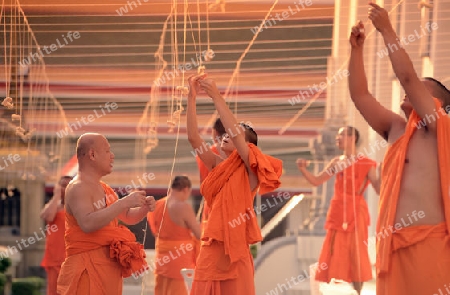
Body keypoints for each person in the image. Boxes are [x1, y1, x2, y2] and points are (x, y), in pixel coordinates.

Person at [348, 4, 450, 294]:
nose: (410, 89)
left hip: (429, 244)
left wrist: (387, 30)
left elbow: (407, 77)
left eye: (422, 87)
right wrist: (356, 51)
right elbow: (360, 95)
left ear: (437, 103)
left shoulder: (437, 127)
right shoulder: (395, 129)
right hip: (391, 247)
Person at [187, 74, 283, 295]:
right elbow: (193, 138)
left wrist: (215, 95)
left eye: (236, 134)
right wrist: (191, 98)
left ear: (248, 146)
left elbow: (237, 137)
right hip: (212, 248)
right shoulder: (217, 165)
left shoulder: (251, 169)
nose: (225, 137)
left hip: (235, 252)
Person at [56, 133, 156, 295]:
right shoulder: (78, 187)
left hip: (108, 269)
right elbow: (87, 223)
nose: (113, 156)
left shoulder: (105, 188)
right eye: (108, 151)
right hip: (86, 269)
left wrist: (144, 208)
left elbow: (128, 216)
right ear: (92, 154)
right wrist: (123, 202)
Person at [296, 126, 380, 294]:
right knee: (335, 249)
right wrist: (303, 169)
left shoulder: (365, 163)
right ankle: (340, 284)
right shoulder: (337, 162)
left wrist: (383, 173)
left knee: (357, 251)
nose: (337, 138)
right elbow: (316, 181)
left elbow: (379, 189)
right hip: (337, 211)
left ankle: (358, 291)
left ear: (352, 138)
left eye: (341, 135)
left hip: (357, 213)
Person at [147, 175, 201, 295]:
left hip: (162, 258)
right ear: (186, 189)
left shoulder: (157, 205)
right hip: (180, 258)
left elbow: (154, 231)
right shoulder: (183, 206)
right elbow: (199, 234)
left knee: (161, 290)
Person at [40, 175, 73, 295]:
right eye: (63, 185)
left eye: (69, 185)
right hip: (54, 256)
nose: (66, 188)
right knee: (53, 291)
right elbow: (47, 216)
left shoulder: (79, 208)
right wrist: (56, 196)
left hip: (71, 257)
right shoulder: (55, 206)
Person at [195, 118, 226, 232]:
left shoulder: (207, 153)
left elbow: (203, 183)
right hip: (236, 205)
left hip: (213, 204)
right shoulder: (241, 152)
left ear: (215, 133)